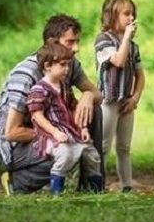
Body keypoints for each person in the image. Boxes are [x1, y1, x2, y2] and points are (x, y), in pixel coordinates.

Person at [0, 14, 104, 195]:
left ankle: (92, 186)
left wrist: (88, 96)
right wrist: (58, 135)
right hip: (10, 145)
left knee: (93, 110)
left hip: (47, 129)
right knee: (67, 151)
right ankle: (17, 183)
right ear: (52, 43)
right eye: (70, 42)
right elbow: (11, 132)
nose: (77, 48)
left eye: (77, 41)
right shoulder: (25, 75)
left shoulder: (68, 64)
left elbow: (97, 95)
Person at [27, 42, 104, 195]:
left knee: (91, 154)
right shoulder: (39, 90)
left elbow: (74, 107)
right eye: (62, 65)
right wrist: (55, 132)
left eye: (68, 65)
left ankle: (96, 190)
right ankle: (57, 191)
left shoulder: (64, 87)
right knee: (65, 154)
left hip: (70, 131)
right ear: (48, 66)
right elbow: (37, 116)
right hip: (50, 135)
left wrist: (82, 128)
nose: (67, 69)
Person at [94, 0, 145, 193]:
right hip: (108, 101)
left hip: (126, 102)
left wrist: (135, 98)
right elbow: (118, 61)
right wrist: (126, 38)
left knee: (124, 147)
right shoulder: (103, 40)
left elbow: (141, 76)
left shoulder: (133, 47)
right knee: (104, 146)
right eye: (126, 13)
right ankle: (96, 186)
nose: (131, 17)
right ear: (112, 15)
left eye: (133, 13)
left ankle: (127, 186)